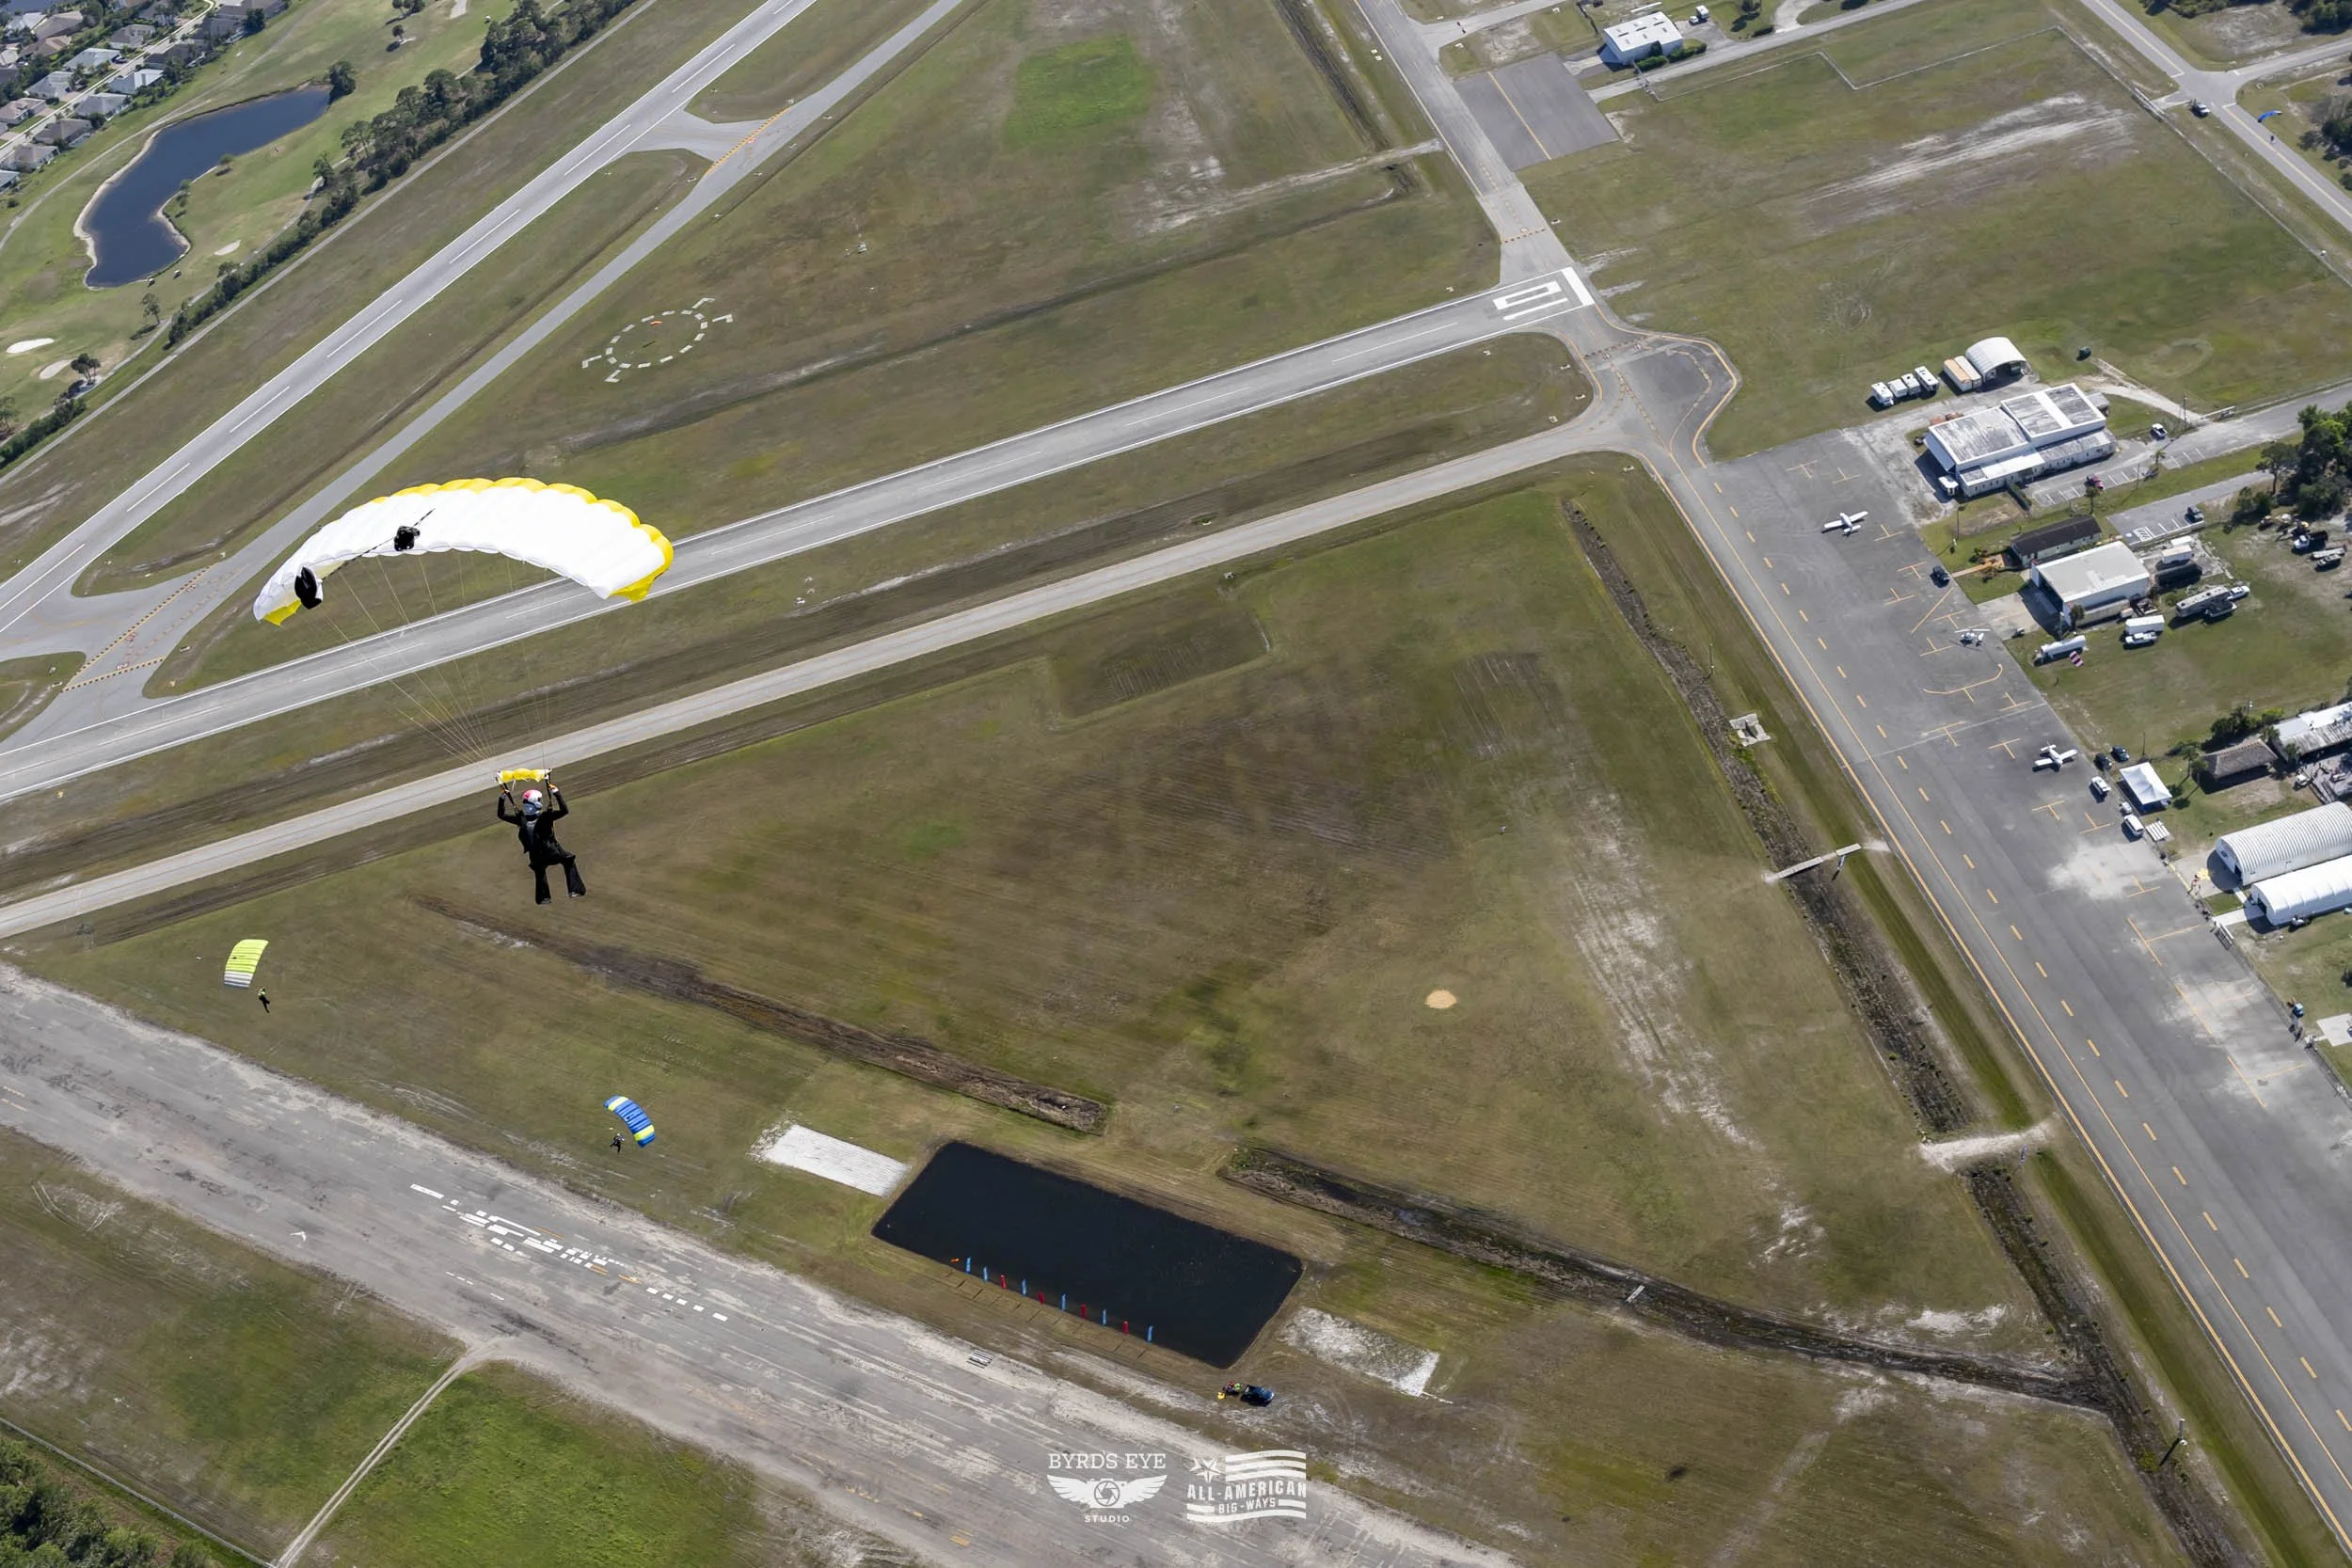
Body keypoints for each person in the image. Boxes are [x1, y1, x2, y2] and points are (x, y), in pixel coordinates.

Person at [498, 780, 586, 904]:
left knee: (539, 870)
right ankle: (575, 890)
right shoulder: (546, 817)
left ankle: (544, 898)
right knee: (568, 860)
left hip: (535, 858)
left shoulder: (521, 819)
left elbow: (501, 815)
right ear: (537, 803)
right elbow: (564, 811)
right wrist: (556, 793)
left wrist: (502, 797)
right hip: (552, 853)